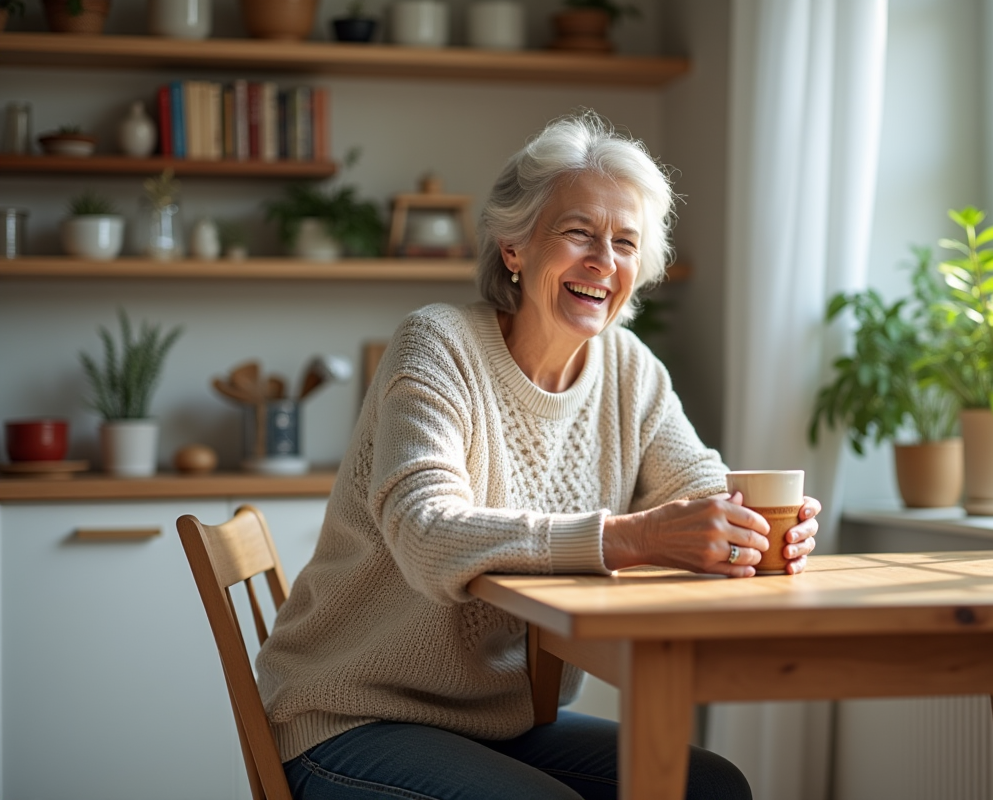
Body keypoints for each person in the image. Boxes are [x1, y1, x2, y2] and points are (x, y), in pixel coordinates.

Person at [256, 110, 821, 800]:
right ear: (514, 247)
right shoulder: (436, 345)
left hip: (501, 720)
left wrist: (753, 529)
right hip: (350, 715)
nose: (602, 263)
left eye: (624, 243)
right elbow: (427, 534)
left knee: (710, 787)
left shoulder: (629, 371)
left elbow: (701, 490)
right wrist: (634, 537)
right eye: (578, 232)